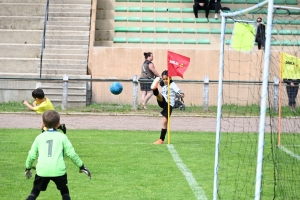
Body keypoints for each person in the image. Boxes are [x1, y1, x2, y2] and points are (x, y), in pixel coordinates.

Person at [24, 110, 91, 200]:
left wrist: (27, 167)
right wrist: (81, 166)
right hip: (58, 170)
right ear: (58, 124)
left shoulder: (39, 137)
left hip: (42, 170)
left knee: (35, 191)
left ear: (43, 123)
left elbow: (32, 155)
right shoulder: (62, 137)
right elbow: (71, 154)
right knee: (64, 191)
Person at [150, 70, 185, 144]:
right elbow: (161, 81)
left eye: (167, 79)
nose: (165, 80)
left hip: (169, 104)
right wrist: (159, 80)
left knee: (164, 122)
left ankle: (161, 140)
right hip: (163, 101)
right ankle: (154, 89)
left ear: (170, 78)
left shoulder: (173, 85)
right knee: (159, 96)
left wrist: (182, 94)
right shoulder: (163, 83)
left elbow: (179, 91)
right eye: (164, 79)